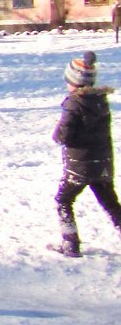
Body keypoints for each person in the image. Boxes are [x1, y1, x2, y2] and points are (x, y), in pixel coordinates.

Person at [50, 51, 121, 257]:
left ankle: (70, 243)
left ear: (74, 82)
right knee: (110, 203)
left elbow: (62, 136)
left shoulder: (73, 103)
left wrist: (57, 129)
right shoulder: (100, 101)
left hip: (80, 166)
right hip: (103, 164)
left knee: (63, 200)